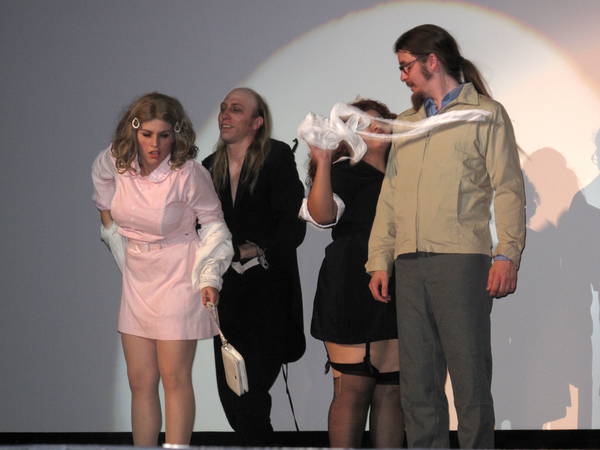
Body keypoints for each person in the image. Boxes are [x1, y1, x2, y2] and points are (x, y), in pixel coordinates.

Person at [367, 24, 526, 449]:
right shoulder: (406, 123)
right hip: (409, 263)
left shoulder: (484, 113)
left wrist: (506, 254)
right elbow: (391, 195)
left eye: (406, 66)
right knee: (418, 384)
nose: (403, 76)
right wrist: (379, 258)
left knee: (469, 379)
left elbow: (508, 188)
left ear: (431, 61)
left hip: (460, 260)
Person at [91, 92, 232, 446]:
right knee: (139, 381)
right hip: (138, 277)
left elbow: (214, 224)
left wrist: (210, 276)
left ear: (176, 134)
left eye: (164, 135)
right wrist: (109, 225)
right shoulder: (117, 161)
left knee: (174, 379)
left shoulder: (188, 173)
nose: (155, 144)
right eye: (147, 135)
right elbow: (100, 178)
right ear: (134, 132)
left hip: (178, 274)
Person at [202, 87, 306, 445]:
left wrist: (256, 248)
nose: (224, 115)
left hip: (268, 294)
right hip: (227, 297)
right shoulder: (207, 167)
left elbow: (292, 225)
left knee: (252, 391)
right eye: (223, 108)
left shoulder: (276, 156)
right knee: (232, 395)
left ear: (257, 122)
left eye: (235, 109)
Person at [301, 99, 405, 448]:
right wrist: (323, 161)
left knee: (392, 392)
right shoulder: (345, 171)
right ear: (347, 137)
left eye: (379, 120)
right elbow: (323, 216)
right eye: (362, 123)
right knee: (353, 390)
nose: (375, 125)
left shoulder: (404, 172)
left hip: (397, 285)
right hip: (350, 286)